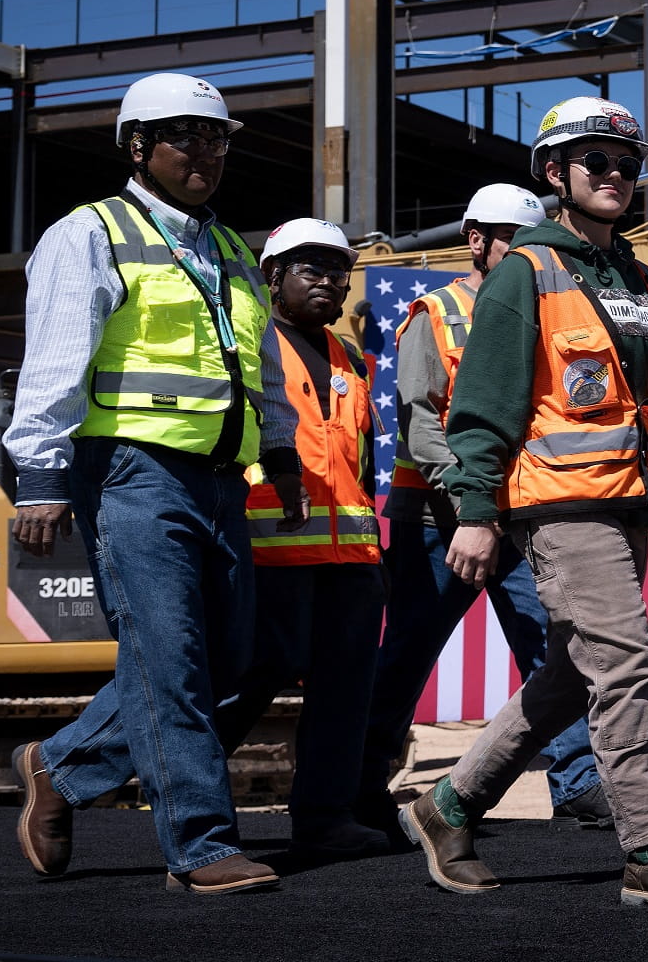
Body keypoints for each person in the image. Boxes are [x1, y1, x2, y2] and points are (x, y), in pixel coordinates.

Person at [400, 97, 648, 908]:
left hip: (630, 504)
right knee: (625, 664)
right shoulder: (525, 273)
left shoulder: (640, 278)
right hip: (557, 508)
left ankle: (447, 806)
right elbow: (483, 408)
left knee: (566, 674)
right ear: (556, 174)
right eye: (596, 162)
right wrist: (479, 512)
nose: (616, 177)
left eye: (627, 165)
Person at [4, 73, 301, 894]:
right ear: (138, 147)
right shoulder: (89, 232)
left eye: (217, 138)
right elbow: (57, 355)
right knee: (170, 662)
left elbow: (260, 366)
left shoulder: (233, 248)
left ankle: (58, 768)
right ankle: (201, 847)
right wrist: (39, 475)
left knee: (237, 663)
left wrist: (280, 452)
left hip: (219, 478)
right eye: (185, 137)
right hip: (132, 474)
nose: (206, 152)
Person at [356, 183, 611, 841]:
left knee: (554, 649)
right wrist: (474, 502)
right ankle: (359, 782)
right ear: (476, 239)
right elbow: (420, 425)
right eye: (512, 240)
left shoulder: (541, 309)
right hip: (441, 521)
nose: (527, 253)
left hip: (517, 516)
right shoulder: (436, 311)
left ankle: (579, 782)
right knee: (409, 654)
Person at [208, 219, 386, 857]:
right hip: (269, 555)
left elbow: (357, 464)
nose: (328, 282)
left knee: (345, 692)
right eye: (309, 268)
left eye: (337, 271)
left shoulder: (349, 358)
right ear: (273, 276)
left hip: (351, 558)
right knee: (245, 684)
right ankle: (184, 793)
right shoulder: (248, 344)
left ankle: (325, 820)